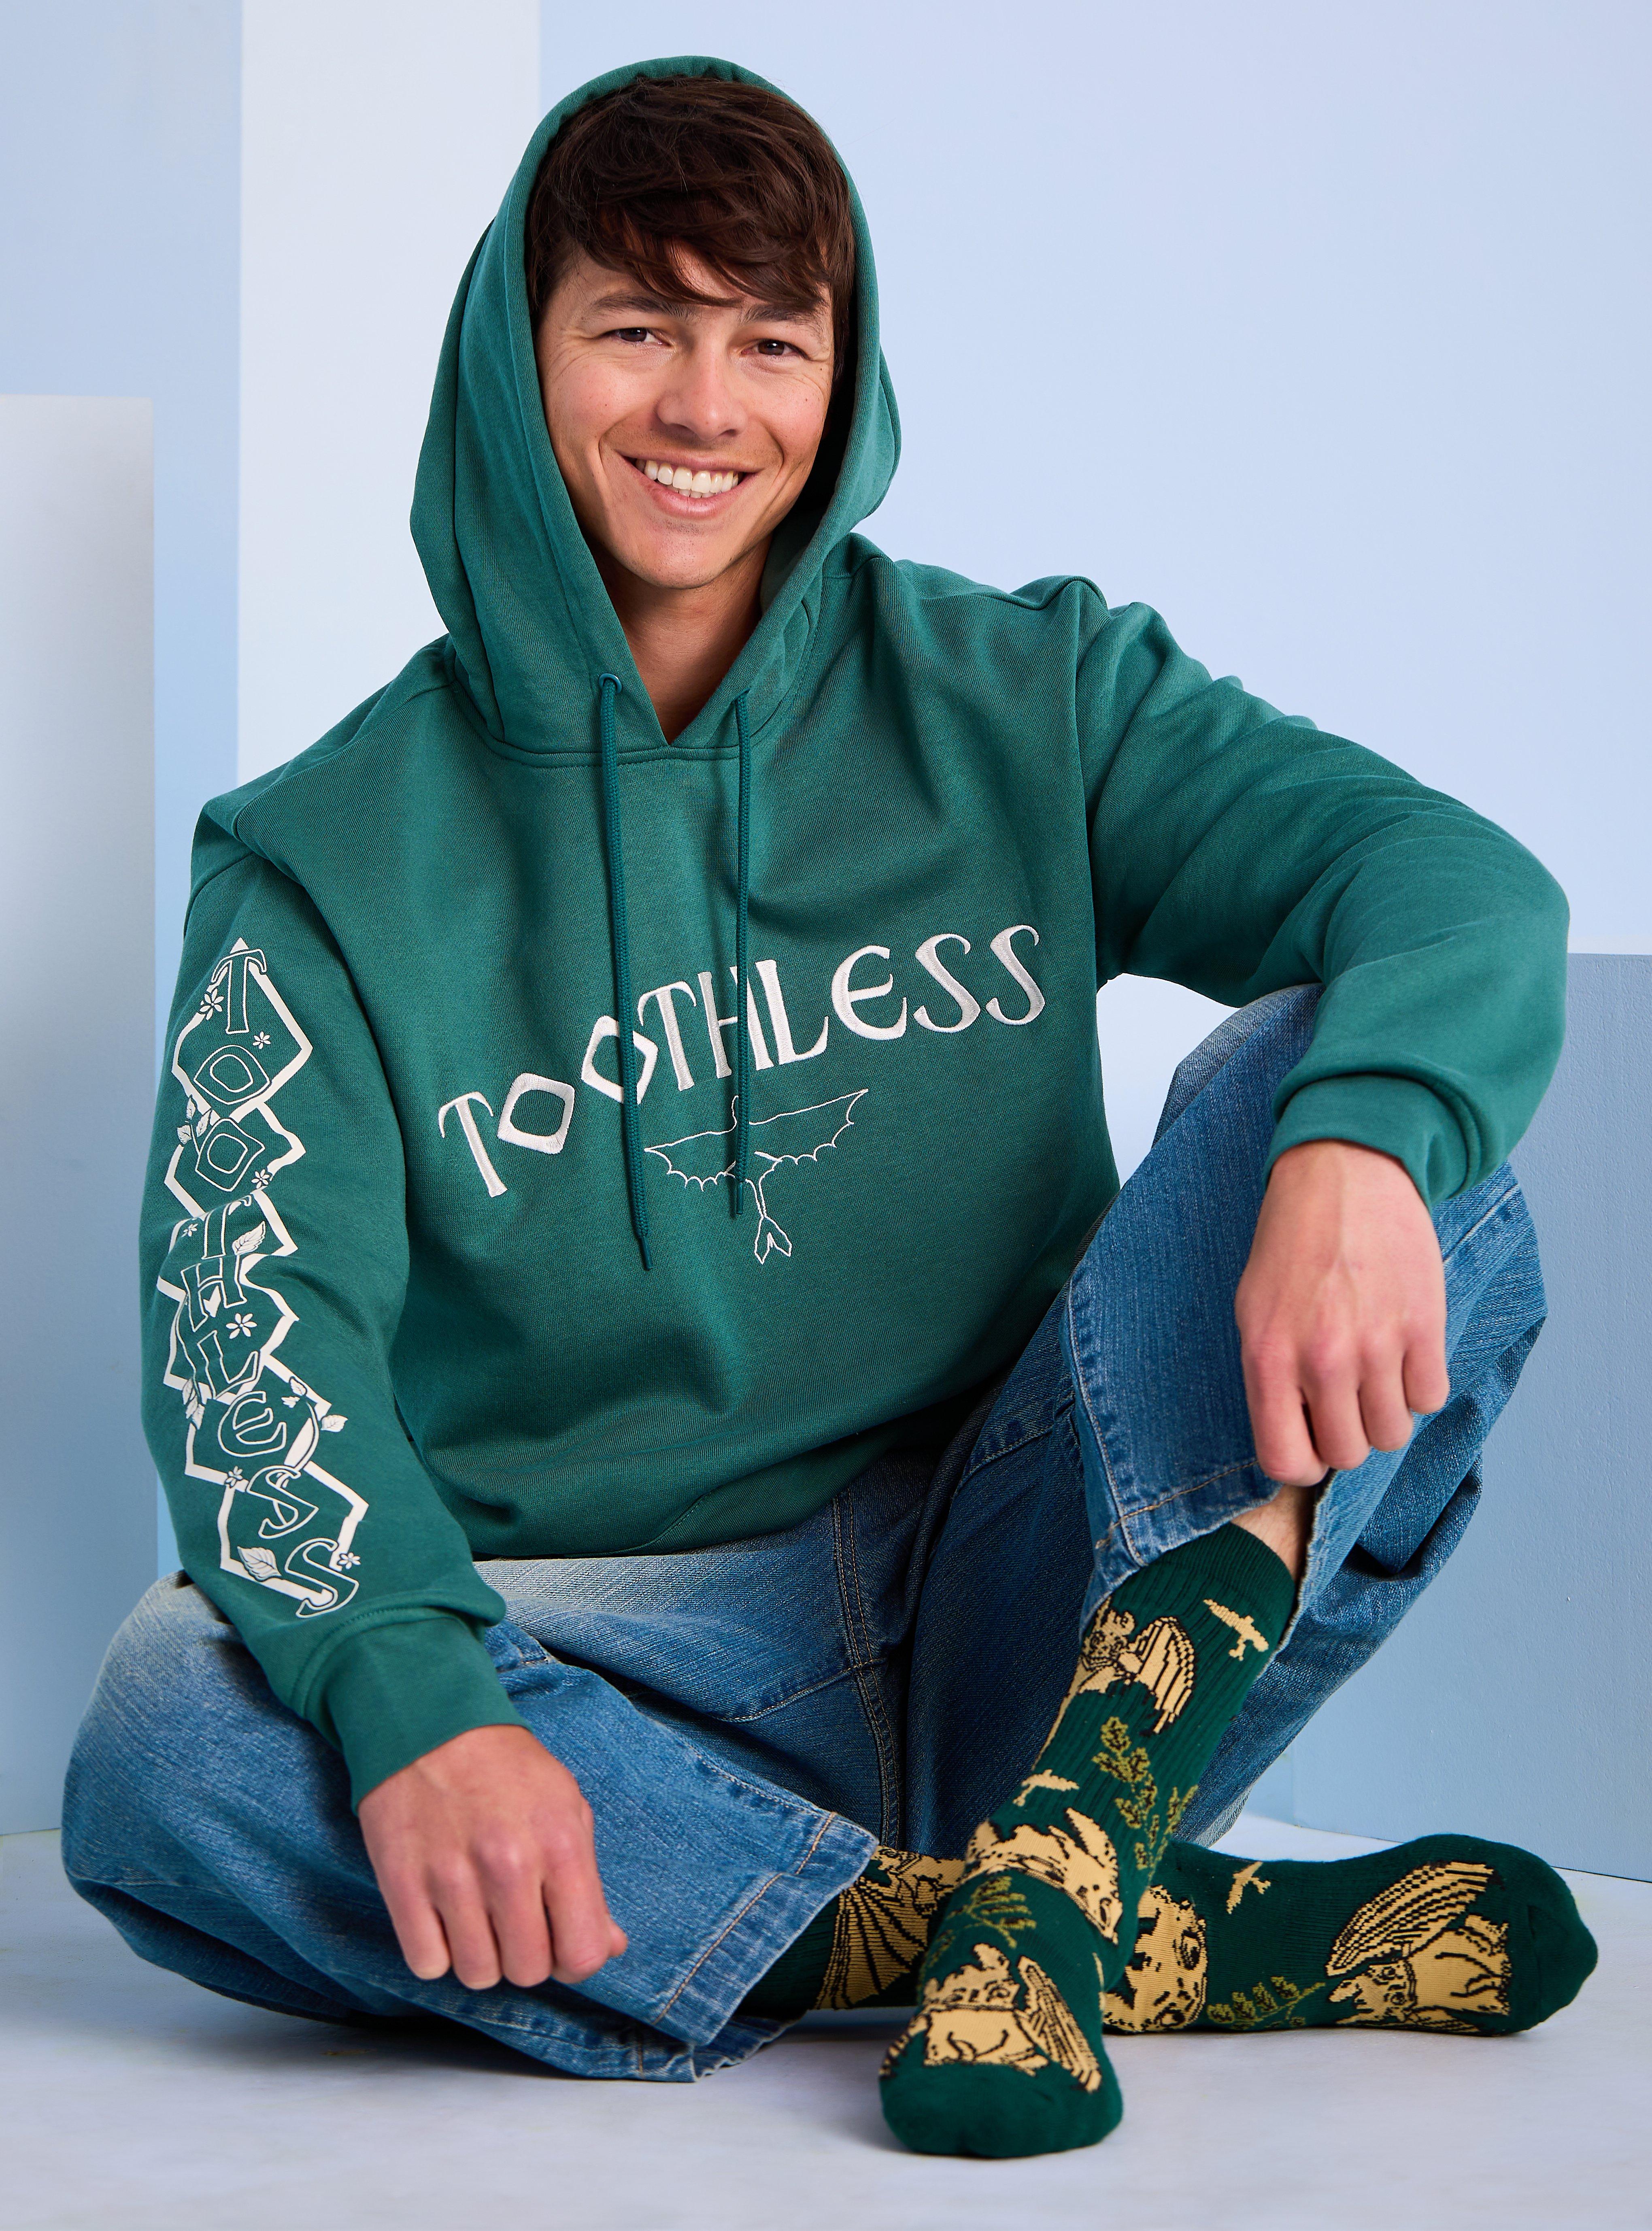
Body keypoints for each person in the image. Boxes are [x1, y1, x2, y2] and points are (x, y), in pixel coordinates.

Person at [63, 58, 1595, 2159]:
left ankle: (1066, 1839)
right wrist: (420, 1703)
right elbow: (257, 1351)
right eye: (637, 327)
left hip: (1053, 1582)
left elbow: (1449, 882)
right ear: (518, 357)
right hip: (643, 1664)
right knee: (175, 1730)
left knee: (1377, 1121)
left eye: (770, 342)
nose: (706, 408)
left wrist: (1354, 1147)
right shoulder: (322, 863)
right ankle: (1037, 1924)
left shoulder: (1029, 693)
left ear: (839, 375)